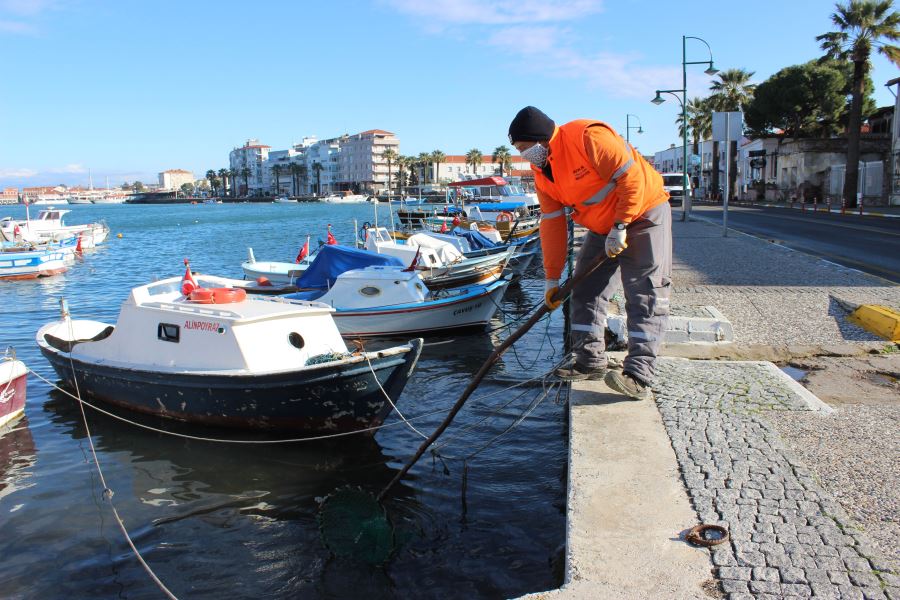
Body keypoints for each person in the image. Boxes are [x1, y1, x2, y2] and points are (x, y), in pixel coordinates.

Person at [508, 106, 672, 400]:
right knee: (585, 290)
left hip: (644, 215)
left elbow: (631, 178)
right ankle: (589, 360)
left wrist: (621, 225)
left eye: (523, 148)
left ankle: (639, 374)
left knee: (644, 293)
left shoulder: (589, 137)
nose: (523, 155)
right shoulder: (542, 172)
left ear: (539, 139)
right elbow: (552, 224)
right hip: (601, 226)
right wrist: (551, 279)